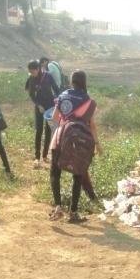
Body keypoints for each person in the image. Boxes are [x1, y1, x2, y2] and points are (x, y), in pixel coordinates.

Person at [48, 70, 101, 223]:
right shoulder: (88, 101)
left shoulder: (63, 96)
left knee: (55, 172)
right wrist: (97, 144)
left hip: (60, 136)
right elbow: (92, 125)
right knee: (78, 174)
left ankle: (58, 207)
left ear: (71, 81)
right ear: (84, 82)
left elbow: (54, 118)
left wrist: (64, 123)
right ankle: (73, 212)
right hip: (79, 141)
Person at [25, 59, 59, 168]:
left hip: (50, 107)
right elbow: (31, 95)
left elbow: (56, 89)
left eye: (33, 71)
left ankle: (45, 155)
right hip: (39, 107)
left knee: (48, 130)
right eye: (30, 72)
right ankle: (37, 157)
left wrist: (57, 103)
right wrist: (38, 105)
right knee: (38, 131)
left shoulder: (48, 76)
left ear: (38, 69)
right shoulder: (31, 79)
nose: (32, 74)